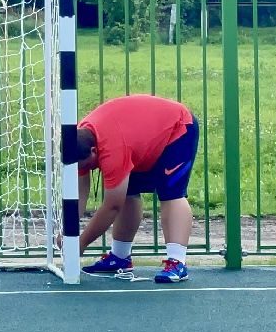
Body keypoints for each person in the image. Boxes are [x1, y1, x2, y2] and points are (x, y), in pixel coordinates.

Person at [71, 93, 198, 284]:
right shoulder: (80, 141)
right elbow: (80, 193)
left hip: (178, 127)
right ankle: (120, 257)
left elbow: (112, 205)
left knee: (171, 193)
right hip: (140, 137)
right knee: (128, 192)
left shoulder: (111, 148)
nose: (85, 170)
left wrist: (81, 243)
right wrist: (68, 231)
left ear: (94, 151)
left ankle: (177, 263)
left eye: (87, 165)